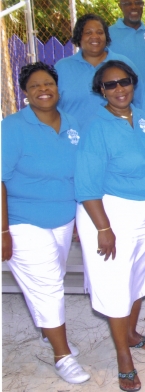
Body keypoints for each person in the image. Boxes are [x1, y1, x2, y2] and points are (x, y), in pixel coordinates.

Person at [75, 60, 145, 392]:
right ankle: (123, 358)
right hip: (109, 215)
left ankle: (130, 333)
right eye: (110, 85)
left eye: (124, 81)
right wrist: (103, 228)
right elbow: (86, 185)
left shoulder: (141, 118)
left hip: (144, 214)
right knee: (114, 285)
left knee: (138, 278)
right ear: (101, 91)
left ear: (133, 82)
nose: (119, 89)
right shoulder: (96, 126)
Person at [1, 63, 90, 385]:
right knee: (49, 286)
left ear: (58, 88)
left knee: (50, 281)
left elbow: (81, 174)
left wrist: (81, 219)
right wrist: (2, 231)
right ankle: (61, 355)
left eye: (48, 83)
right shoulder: (12, 127)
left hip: (63, 219)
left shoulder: (73, 124)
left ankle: (48, 333)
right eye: (35, 85)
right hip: (23, 221)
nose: (43, 89)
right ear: (25, 93)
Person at [55, 13, 140, 130]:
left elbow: (140, 103)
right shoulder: (62, 68)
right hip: (74, 140)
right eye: (88, 32)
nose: (95, 36)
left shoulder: (123, 64)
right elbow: (53, 109)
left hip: (118, 138)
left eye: (100, 32)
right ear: (79, 36)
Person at [109, 0, 145, 80]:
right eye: (127, 3)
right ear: (120, 6)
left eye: (138, 2)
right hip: (121, 92)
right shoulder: (108, 34)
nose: (133, 7)